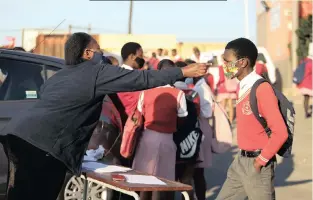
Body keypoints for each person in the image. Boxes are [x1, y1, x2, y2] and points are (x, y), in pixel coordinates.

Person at [0, 32, 208, 200]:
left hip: (17, 136)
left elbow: (53, 102)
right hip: (44, 147)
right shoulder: (96, 73)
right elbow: (141, 78)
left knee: (20, 194)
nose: (102, 54)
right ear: (88, 53)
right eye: (99, 50)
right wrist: (182, 72)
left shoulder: (60, 75)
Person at [216, 38, 288, 200]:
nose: (224, 66)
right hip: (241, 162)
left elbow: (280, 132)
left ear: (243, 62)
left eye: (227, 61)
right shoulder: (242, 86)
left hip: (258, 164)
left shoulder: (261, 88)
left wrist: (260, 162)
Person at [133, 59, 188, 200]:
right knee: (162, 182)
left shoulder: (146, 92)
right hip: (167, 138)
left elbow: (139, 115)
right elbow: (182, 118)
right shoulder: (179, 94)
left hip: (147, 137)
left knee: (144, 182)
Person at [297, 43, 313, 118]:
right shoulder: (311, 63)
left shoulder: (303, 61)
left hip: (303, 84)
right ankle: (307, 113)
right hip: (309, 84)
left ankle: (306, 113)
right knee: (308, 98)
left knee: (306, 98)